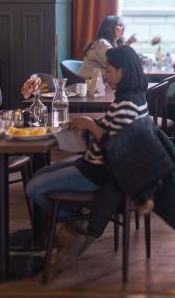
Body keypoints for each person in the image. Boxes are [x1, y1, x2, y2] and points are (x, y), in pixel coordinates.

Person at [25, 46, 149, 269]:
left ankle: (68, 230)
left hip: (102, 172)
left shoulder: (127, 104)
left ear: (123, 71)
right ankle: (75, 220)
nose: (105, 75)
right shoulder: (133, 98)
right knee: (40, 174)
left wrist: (90, 126)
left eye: (109, 71)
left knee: (34, 187)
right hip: (103, 166)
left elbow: (115, 147)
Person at [78, 16, 137, 83]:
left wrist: (127, 44)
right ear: (110, 27)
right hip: (87, 83)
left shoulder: (111, 43)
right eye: (120, 25)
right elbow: (117, 64)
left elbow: (118, 60)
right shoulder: (102, 43)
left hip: (98, 82)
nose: (123, 28)